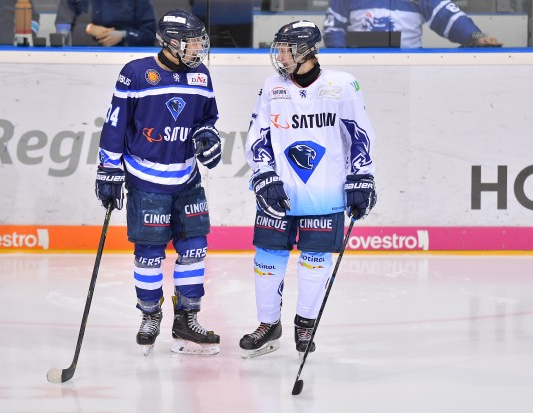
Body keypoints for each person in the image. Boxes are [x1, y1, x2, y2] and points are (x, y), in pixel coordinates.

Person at [239, 20, 377, 359]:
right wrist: (264, 175)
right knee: (268, 259)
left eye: (286, 48)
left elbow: (359, 133)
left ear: (305, 50)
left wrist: (362, 177)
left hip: (325, 192)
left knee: (315, 260)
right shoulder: (272, 86)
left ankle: (305, 322)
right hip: (278, 193)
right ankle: (268, 324)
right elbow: (257, 136)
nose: (279, 55)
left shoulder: (341, 85)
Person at [94, 9, 222, 356]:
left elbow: (208, 119)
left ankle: (187, 319)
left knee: (194, 249)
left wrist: (209, 137)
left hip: (187, 178)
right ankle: (150, 314)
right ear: (170, 41)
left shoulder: (200, 75)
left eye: (199, 40)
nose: (198, 47)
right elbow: (115, 124)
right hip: (146, 179)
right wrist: (108, 168)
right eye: (192, 41)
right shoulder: (136, 73)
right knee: (149, 255)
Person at [323, 0, 502, 48]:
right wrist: (347, 62)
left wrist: (475, 36)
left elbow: (447, 15)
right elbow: (333, 30)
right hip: (359, 72)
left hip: (408, 69)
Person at [54, 0, 155, 47]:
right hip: (82, 59)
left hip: (127, 59)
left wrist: (123, 35)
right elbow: (62, 30)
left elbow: (150, 35)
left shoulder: (141, 2)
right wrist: (89, 29)